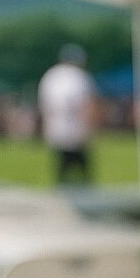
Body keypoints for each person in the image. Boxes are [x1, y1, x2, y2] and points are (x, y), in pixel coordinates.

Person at [38, 44, 96, 183]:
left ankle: (61, 190)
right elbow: (86, 104)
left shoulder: (51, 75)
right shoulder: (79, 77)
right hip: (76, 127)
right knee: (82, 166)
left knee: (61, 166)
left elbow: (44, 105)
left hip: (56, 126)